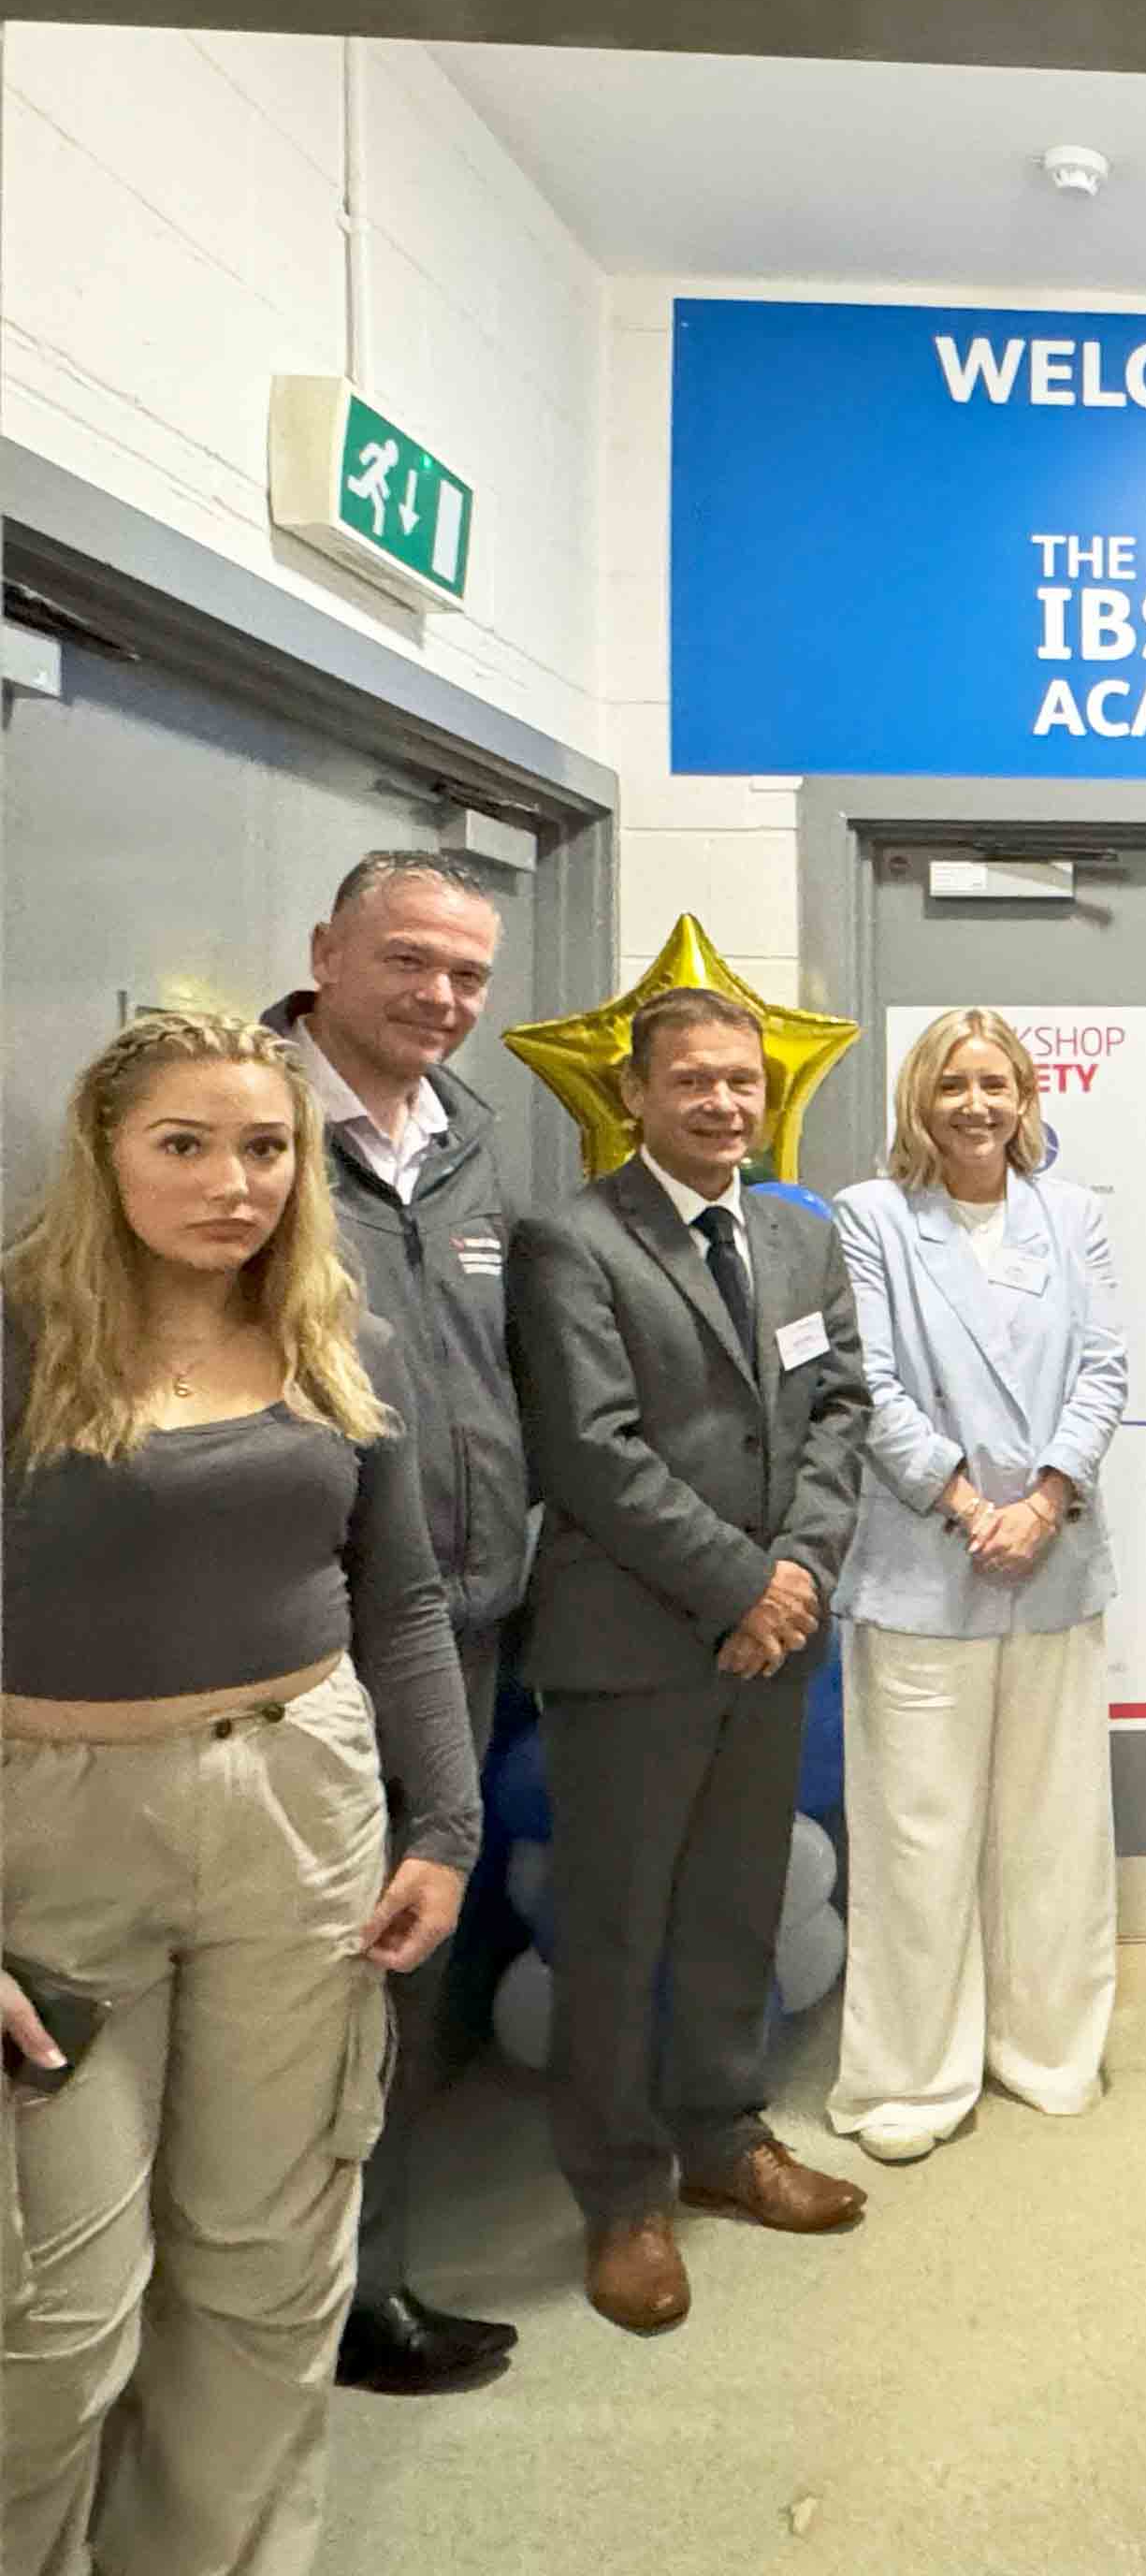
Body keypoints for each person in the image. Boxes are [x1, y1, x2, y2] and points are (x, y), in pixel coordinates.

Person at [0, 1011, 479, 2576]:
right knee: (56, 2314)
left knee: (268, 2265)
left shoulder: (340, 1333)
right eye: (185, 1145)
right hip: (56, 1832)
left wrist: (443, 1824)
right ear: (106, 1152)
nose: (234, 1182)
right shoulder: (20, 1336)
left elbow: (398, 1600)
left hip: (302, 1811)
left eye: (265, 1146)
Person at [507, 985, 871, 2337]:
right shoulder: (572, 1240)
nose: (725, 1103)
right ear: (638, 1096)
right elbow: (590, 1451)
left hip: (768, 1644)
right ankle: (621, 2198)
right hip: (635, 1648)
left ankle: (723, 2141)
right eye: (696, 1082)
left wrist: (803, 1571)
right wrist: (744, 1581)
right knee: (615, 1931)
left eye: (743, 1083)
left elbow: (840, 1407)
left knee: (732, 1906)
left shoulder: (793, 1234)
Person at [265, 846, 530, 2395]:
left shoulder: (473, 1147)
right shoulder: (253, 1130)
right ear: (326, 950)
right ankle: (279, 2302)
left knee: (400, 1953)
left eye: (468, 974)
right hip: (295, 1625)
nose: (442, 996)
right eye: (411, 960)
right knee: (291, 1964)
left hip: (454, 1621)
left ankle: (366, 2280)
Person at [827, 1010, 1130, 2165]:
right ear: (920, 1097)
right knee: (919, 1832)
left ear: (1025, 1097)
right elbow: (872, 1382)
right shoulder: (874, 1221)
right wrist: (967, 1506)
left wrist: (1045, 1501)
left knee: (1053, 1829)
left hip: (1053, 1561)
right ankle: (912, 2073)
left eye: (995, 1082)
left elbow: (1103, 1365)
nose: (975, 1104)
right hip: (924, 1565)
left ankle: (1048, 2048)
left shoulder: (1073, 1214)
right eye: (952, 1083)